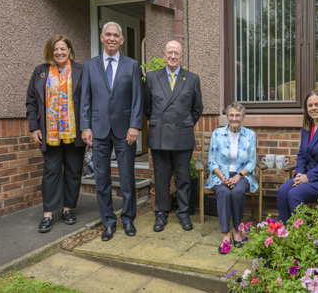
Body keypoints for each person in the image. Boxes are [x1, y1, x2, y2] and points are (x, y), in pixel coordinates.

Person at [80, 22, 143, 241]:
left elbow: (137, 99)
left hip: (125, 130)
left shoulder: (132, 65)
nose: (112, 39)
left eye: (116, 35)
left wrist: (135, 125)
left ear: (122, 40)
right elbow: (85, 100)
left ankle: (127, 219)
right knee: (102, 178)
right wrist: (85, 127)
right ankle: (108, 222)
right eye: (108, 35)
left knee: (127, 177)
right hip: (98, 130)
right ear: (101, 37)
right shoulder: (89, 66)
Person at [26, 34, 86, 233]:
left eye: (63, 48)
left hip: (74, 131)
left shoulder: (80, 70)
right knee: (51, 171)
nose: (59, 52)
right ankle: (48, 213)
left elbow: (88, 101)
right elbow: (32, 101)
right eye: (56, 49)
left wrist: (88, 128)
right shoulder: (40, 72)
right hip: (49, 132)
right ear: (50, 51)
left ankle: (68, 209)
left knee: (73, 170)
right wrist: (34, 127)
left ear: (69, 50)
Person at [144, 40, 203, 232]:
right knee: (161, 178)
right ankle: (161, 214)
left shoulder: (192, 78)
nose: (172, 56)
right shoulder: (152, 77)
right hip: (159, 135)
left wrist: (185, 125)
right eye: (169, 52)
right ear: (163, 54)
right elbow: (147, 107)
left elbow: (197, 108)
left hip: (182, 135)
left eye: (176, 53)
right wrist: (159, 123)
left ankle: (184, 213)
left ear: (182, 56)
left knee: (183, 177)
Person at [277, 90, 318, 224]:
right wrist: (299, 174)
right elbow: (302, 154)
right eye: (310, 105)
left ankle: (304, 236)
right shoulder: (307, 127)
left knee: (295, 194)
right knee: (282, 191)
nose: (313, 108)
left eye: (317, 105)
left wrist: (308, 177)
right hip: (307, 176)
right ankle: (284, 233)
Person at [206, 102, 258, 254]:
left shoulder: (250, 135)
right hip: (220, 175)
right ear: (227, 117)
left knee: (236, 192)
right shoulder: (217, 134)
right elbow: (211, 160)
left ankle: (236, 229)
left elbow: (251, 162)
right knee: (223, 192)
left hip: (242, 174)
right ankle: (225, 234)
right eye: (231, 115)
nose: (234, 118)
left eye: (237, 115)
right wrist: (222, 177)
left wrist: (238, 176)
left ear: (243, 117)